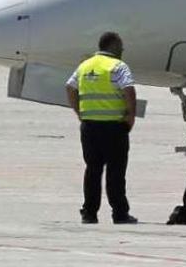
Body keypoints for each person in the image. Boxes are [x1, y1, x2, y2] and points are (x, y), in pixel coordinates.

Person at [65, 32, 138, 225]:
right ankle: (120, 213)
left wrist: (79, 111)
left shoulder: (85, 65)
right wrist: (130, 116)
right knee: (116, 172)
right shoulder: (118, 66)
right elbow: (129, 89)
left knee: (92, 170)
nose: (122, 51)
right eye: (120, 47)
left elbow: (70, 87)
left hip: (89, 126)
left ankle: (89, 213)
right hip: (114, 127)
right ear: (114, 47)